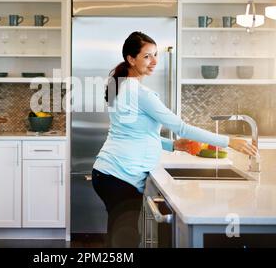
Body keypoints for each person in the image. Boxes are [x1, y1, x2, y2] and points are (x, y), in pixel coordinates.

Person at [92, 31, 258, 248]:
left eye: (155, 55)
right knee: (126, 240)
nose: (154, 62)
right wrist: (229, 141)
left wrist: (173, 145)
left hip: (108, 174)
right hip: (119, 177)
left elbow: (134, 134)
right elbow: (181, 127)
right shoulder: (140, 93)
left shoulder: (121, 87)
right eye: (147, 56)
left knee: (120, 237)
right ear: (131, 59)